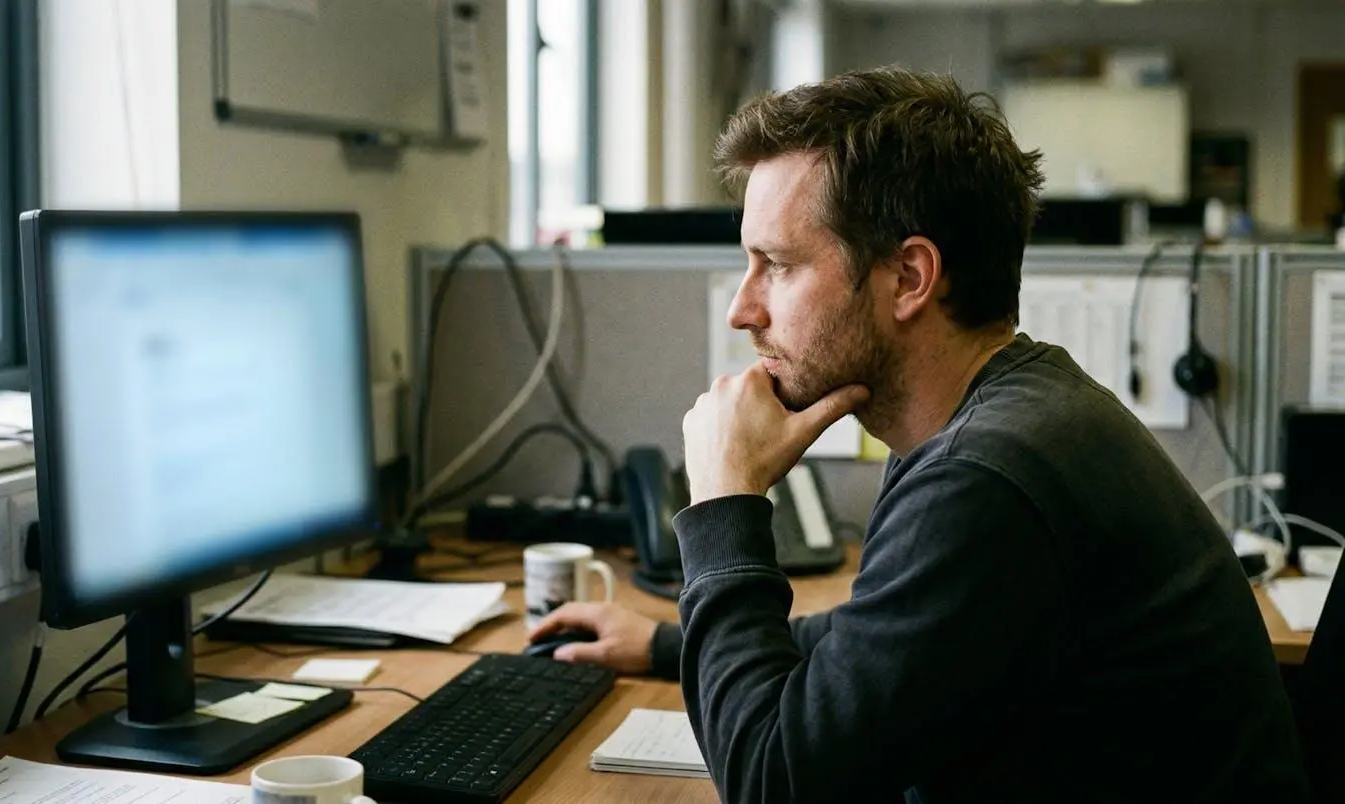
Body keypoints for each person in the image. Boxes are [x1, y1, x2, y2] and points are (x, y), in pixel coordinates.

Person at [530, 68, 1309, 802]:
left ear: (909, 278)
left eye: (778, 265)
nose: (743, 308)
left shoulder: (987, 475)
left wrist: (724, 507)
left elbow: (770, 780)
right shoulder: (1013, 405)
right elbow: (879, 644)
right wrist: (666, 646)